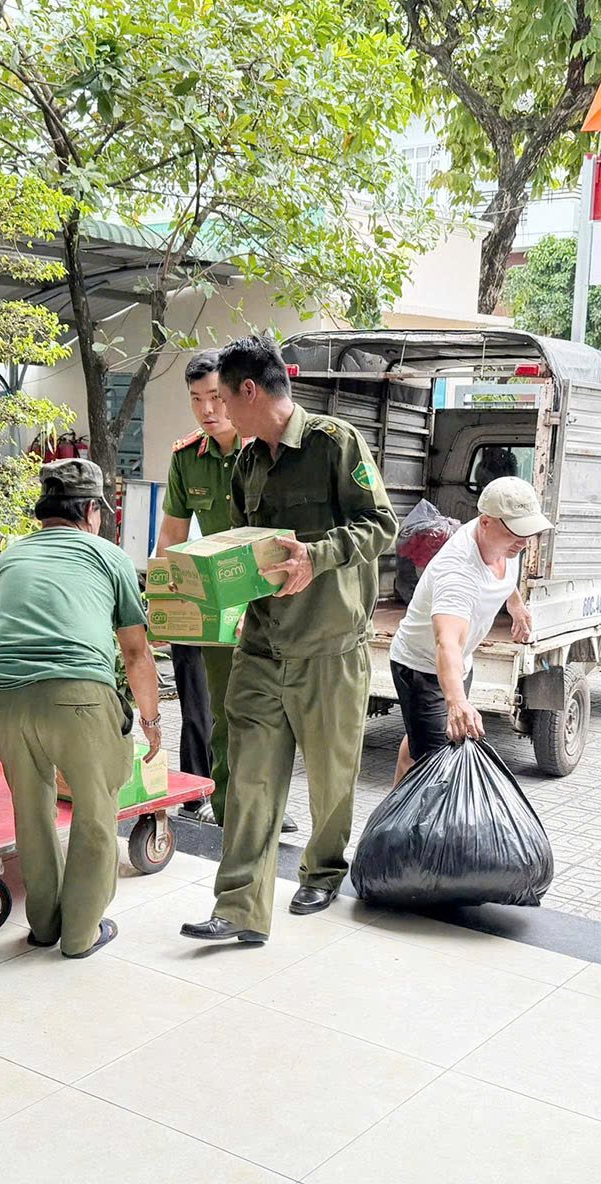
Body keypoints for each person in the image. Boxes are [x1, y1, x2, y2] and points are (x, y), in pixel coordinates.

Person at [181, 334, 399, 944]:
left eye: (223, 397)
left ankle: (324, 870)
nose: (216, 409)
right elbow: (251, 547)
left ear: (250, 391)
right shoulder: (248, 462)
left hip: (330, 647)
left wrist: (318, 555)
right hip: (263, 646)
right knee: (249, 774)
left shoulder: (335, 443)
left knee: (331, 777)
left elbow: (382, 524)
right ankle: (239, 909)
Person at [0, 459, 164, 959]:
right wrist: (150, 720)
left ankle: (42, 926)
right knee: (97, 807)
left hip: (2, 696)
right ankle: (81, 934)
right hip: (78, 694)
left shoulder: (9, 559)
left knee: (32, 808)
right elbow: (135, 652)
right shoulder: (108, 555)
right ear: (90, 510)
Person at [155, 351, 295, 835]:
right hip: (217, 601)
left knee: (271, 708)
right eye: (196, 400)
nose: (208, 410)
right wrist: (165, 603)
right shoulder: (186, 458)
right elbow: (171, 537)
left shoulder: (264, 449)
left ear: (237, 392)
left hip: (271, 595)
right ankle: (227, 807)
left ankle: (268, 804)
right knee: (220, 707)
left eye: (216, 397)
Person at [388, 476, 544, 784]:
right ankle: (417, 828)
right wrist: (456, 701)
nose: (525, 540)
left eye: (529, 530)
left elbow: (502, 570)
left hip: (460, 664)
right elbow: (446, 642)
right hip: (422, 668)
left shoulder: (503, 542)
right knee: (438, 765)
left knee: (421, 744)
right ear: (486, 522)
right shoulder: (457, 571)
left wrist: (515, 603)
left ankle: (390, 823)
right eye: (517, 531)